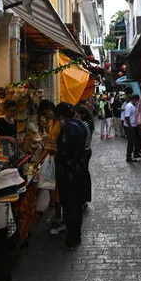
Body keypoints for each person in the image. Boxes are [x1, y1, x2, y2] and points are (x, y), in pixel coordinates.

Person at [54, 102, 88, 250]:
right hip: (80, 170)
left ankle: (71, 241)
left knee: (69, 207)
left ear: (61, 116)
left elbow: (64, 151)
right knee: (76, 206)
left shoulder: (68, 128)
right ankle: (76, 236)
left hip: (69, 173)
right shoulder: (80, 124)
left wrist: (55, 152)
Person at [38, 99, 63, 230]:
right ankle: (57, 215)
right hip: (52, 157)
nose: (44, 116)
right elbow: (49, 144)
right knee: (54, 188)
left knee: (58, 188)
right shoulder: (50, 122)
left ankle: (60, 217)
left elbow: (55, 142)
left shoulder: (59, 122)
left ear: (49, 108)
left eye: (44, 113)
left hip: (59, 158)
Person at [75, 104, 94, 209]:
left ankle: (83, 199)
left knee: (82, 176)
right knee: (84, 174)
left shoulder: (83, 124)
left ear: (81, 114)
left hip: (84, 152)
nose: (75, 115)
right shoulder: (86, 123)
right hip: (86, 151)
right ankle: (84, 199)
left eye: (77, 113)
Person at [124, 94, 141, 162]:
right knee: (131, 142)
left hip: (134, 126)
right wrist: (130, 126)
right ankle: (128, 156)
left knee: (138, 139)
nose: (137, 101)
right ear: (134, 99)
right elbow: (127, 117)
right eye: (137, 100)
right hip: (130, 126)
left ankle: (136, 153)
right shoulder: (129, 106)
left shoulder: (134, 106)